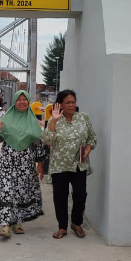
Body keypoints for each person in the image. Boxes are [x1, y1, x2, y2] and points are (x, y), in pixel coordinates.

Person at [0, 90, 47, 237]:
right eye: (19, 99)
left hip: (26, 164)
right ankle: (5, 225)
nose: (22, 102)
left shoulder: (33, 121)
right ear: (14, 102)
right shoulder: (5, 119)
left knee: (21, 192)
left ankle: (17, 222)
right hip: (8, 161)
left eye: (24, 99)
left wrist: (40, 165)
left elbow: (38, 145)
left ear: (28, 102)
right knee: (6, 190)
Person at [41, 89, 97, 239]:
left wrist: (88, 147)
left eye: (73, 102)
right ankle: (62, 227)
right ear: (61, 104)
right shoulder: (55, 119)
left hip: (79, 163)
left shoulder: (83, 118)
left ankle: (76, 223)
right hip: (60, 164)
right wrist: (53, 120)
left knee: (80, 195)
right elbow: (46, 140)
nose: (71, 105)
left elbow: (92, 137)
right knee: (60, 197)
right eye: (68, 102)